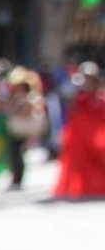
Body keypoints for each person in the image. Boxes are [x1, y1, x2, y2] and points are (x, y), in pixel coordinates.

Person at [52, 61, 105, 198]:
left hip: (97, 136)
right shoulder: (78, 94)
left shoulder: (101, 96)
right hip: (79, 137)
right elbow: (71, 110)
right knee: (77, 162)